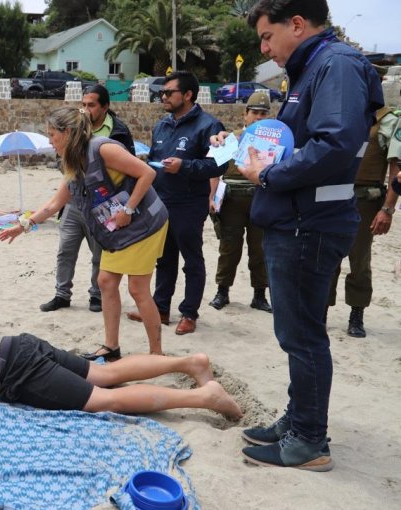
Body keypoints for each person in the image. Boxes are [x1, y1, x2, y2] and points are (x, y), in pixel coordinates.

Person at [234, 0, 383, 471]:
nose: (264, 47)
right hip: (300, 219)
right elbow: (300, 139)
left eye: (266, 35)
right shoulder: (314, 66)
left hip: (308, 224)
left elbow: (334, 145)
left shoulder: (335, 64)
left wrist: (269, 176)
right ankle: (298, 420)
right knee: (296, 332)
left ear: (297, 24)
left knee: (302, 336)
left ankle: (309, 441)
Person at [0, 284, 242, 419]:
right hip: (15, 345)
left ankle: (203, 396)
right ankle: (190, 362)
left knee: (105, 400)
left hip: (11, 371)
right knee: (104, 372)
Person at [0, 106, 166, 359]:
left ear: (67, 132)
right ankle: (111, 348)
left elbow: (148, 172)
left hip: (145, 224)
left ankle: (156, 354)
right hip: (117, 229)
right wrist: (23, 226)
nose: (49, 140)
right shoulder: (73, 160)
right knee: (106, 281)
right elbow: (55, 204)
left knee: (137, 289)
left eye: (52, 134)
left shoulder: (102, 148)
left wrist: (129, 210)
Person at [125, 71, 227, 336]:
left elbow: (220, 164)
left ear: (188, 94)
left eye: (169, 92)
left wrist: (184, 166)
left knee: (192, 260)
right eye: (162, 93)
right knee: (164, 258)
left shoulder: (209, 125)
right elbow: (154, 164)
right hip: (160, 201)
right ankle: (160, 308)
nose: (163, 97)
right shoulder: (161, 125)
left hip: (190, 204)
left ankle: (189, 313)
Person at [39, 85, 136, 314]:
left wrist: (127, 208)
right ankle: (62, 294)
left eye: (91, 105)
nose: (85, 109)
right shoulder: (72, 130)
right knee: (66, 250)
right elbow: (64, 167)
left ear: (105, 107)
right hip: (74, 200)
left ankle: (96, 295)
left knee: (98, 253)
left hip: (102, 204)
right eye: (83, 104)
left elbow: (134, 173)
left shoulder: (116, 133)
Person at [326, 96, 400, 337]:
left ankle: (356, 313)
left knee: (359, 259)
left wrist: (387, 209)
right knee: (327, 256)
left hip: (365, 200)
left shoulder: (388, 122)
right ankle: (321, 310)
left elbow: (396, 170)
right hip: (332, 195)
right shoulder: (341, 113)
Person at [207, 90, 273, 313]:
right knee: (229, 248)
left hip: (261, 200)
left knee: (260, 249)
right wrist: (212, 198)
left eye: (263, 114)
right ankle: (222, 291)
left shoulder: (274, 144)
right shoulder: (231, 139)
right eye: (254, 112)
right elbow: (215, 171)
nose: (258, 117)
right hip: (232, 200)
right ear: (245, 114)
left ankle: (260, 295)